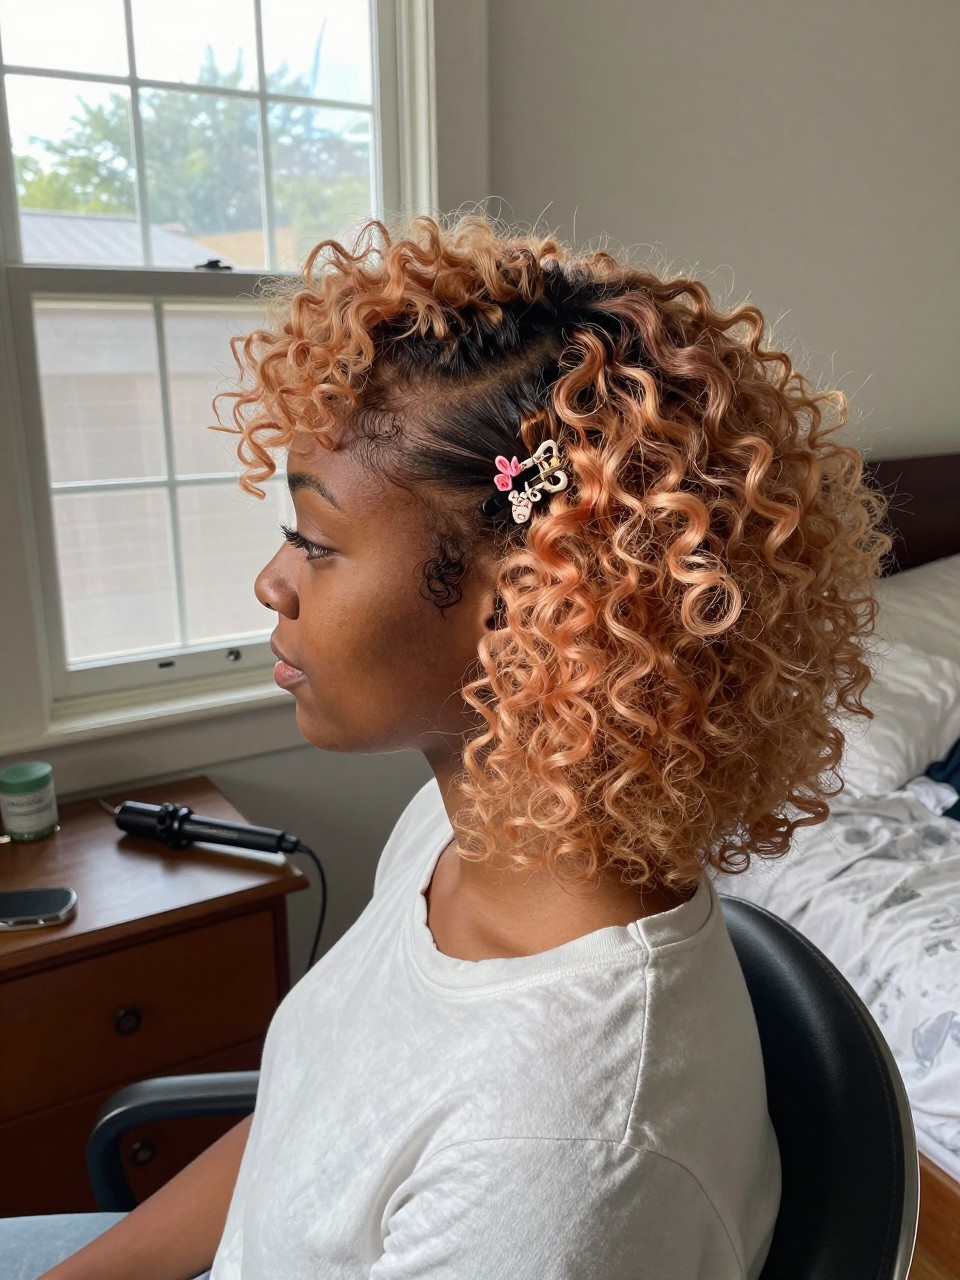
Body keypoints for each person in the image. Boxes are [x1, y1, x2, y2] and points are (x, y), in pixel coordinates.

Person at [10, 212, 890, 1279]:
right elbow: (309, 1133)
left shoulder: (562, 1160)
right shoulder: (467, 822)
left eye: (315, 543)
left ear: (525, 602)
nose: (272, 583)